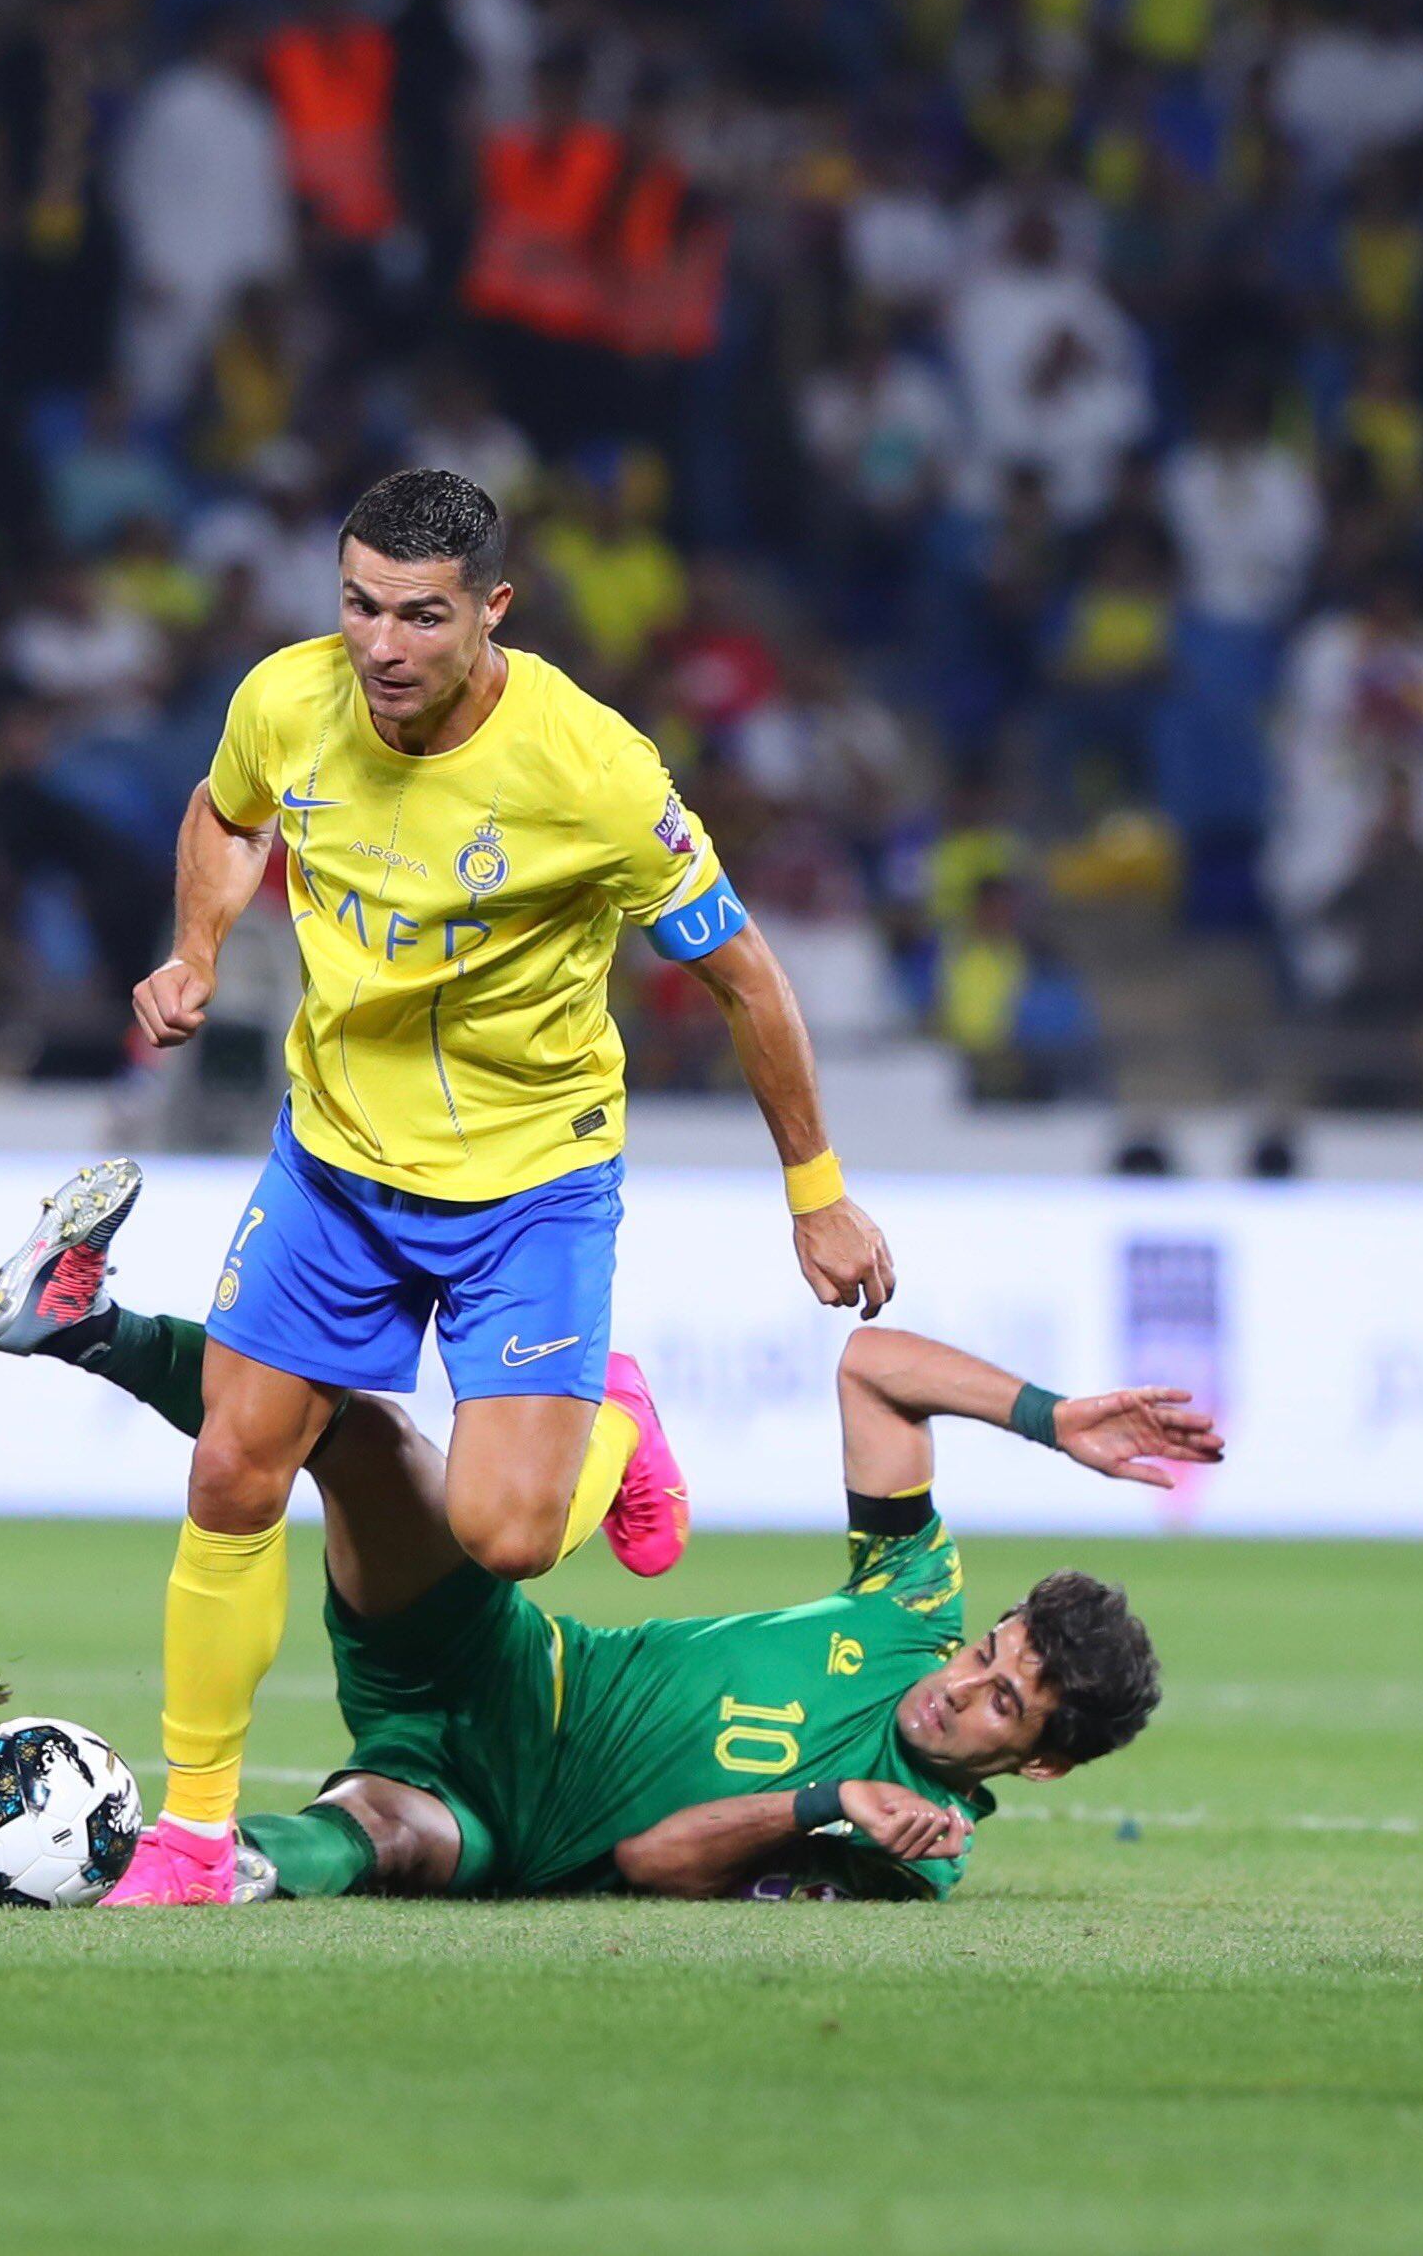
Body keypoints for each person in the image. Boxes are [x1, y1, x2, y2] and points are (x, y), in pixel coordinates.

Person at [110, 467, 899, 1906]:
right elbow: (229, 818)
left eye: (419, 614)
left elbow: (742, 974)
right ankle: (190, 1834)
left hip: (526, 1183)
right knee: (232, 1463)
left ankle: (616, 1409)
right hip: (335, 1157)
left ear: (492, 610)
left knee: (505, 1536)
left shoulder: (593, 771)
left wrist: (818, 1189)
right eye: (357, 604)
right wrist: (200, 951)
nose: (380, 645)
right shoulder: (285, 701)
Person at [0, 1167, 1187, 1902]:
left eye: (1004, 1705)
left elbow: (656, 1862)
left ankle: (174, 1863)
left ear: (1041, 1765)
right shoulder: (914, 1601)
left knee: (383, 1840)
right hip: (507, 1666)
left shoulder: (914, 1850)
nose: (964, 1685)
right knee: (357, 1438)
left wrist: (828, 1804)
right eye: (993, 1651)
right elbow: (873, 1367)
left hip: (512, 1830)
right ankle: (81, 1321)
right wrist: (1051, 1414)